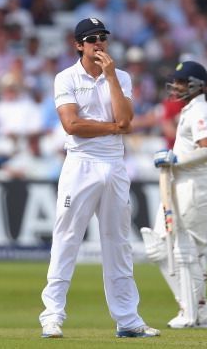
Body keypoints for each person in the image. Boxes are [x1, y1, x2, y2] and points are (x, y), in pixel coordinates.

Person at [39, 17, 160, 339]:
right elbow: (72, 125)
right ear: (78, 45)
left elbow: (127, 119)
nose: (99, 44)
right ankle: (52, 316)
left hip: (115, 164)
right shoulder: (65, 78)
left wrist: (110, 78)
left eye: (103, 38)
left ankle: (128, 319)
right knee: (67, 238)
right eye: (92, 39)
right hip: (81, 163)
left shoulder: (119, 76)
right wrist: (111, 128)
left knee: (118, 244)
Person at [140, 60, 207, 329]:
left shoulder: (201, 110)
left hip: (193, 187)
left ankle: (192, 315)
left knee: (187, 251)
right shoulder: (189, 110)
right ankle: (198, 307)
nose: (176, 86)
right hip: (180, 185)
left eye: (182, 82)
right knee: (157, 247)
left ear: (196, 85)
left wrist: (176, 160)